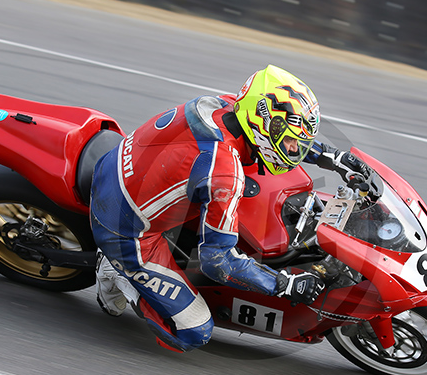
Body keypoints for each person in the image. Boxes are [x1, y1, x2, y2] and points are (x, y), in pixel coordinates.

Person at [90, 64, 371, 353]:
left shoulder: (226, 105)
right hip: (126, 229)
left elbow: (278, 140)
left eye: (297, 143)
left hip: (121, 165)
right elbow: (217, 262)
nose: (293, 150)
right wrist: (283, 284)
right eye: (290, 142)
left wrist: (332, 156)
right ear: (262, 122)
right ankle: (115, 272)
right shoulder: (224, 172)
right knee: (194, 331)